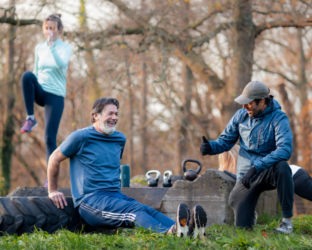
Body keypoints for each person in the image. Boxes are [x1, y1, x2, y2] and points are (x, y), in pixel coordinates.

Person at [47, 97, 207, 237]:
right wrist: (53, 190)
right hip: (91, 201)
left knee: (147, 209)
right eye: (110, 113)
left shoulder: (119, 139)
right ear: (95, 116)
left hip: (116, 196)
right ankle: (169, 233)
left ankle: (185, 229)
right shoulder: (80, 137)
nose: (114, 117)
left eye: (116, 114)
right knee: (134, 212)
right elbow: (54, 158)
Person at [200, 80, 294, 234]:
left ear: (262, 101)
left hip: (268, 170)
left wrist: (256, 167)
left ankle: (287, 223)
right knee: (239, 215)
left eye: (248, 103)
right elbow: (225, 141)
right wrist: (210, 147)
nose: (244, 107)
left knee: (283, 166)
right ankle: (250, 218)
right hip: (246, 175)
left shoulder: (279, 118)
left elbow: (285, 150)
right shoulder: (241, 116)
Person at [20, 14, 73, 187]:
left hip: (55, 96)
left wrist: (52, 46)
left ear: (59, 30)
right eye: (46, 28)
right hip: (41, 91)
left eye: (52, 28)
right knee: (27, 75)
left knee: (49, 138)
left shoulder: (65, 48)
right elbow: (36, 70)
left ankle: (50, 178)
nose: (48, 31)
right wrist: (33, 86)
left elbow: (60, 64)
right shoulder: (39, 48)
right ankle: (30, 118)